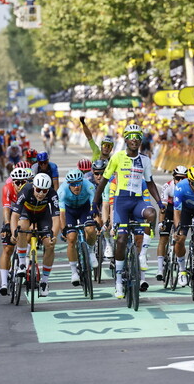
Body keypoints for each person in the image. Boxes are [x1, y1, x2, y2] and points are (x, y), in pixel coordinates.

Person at [93, 124, 163, 299]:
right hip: (122, 201)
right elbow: (104, 181)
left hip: (138, 200)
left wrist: (160, 202)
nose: (134, 139)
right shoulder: (117, 157)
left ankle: (142, 256)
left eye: (137, 136)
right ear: (125, 139)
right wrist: (95, 201)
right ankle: (118, 282)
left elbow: (151, 182)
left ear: (140, 140)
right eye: (130, 136)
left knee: (152, 214)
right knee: (122, 239)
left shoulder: (145, 160)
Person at [11, 174, 61, 297]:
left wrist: (53, 235)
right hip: (26, 213)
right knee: (22, 227)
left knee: (49, 245)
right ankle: (22, 263)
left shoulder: (53, 194)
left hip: (43, 216)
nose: (41, 193)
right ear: (34, 187)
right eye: (38, 190)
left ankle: (44, 281)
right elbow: (15, 215)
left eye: (44, 191)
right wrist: (13, 232)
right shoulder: (26, 190)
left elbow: (56, 219)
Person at [58, 169, 98, 286]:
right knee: (71, 238)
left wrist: (95, 221)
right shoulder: (62, 191)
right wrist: (63, 229)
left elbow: (93, 207)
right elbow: (62, 214)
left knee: (90, 229)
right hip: (69, 211)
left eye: (78, 183)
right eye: (73, 184)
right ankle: (74, 272)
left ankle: (90, 252)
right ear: (69, 184)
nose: (76, 187)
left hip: (84, 209)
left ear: (82, 181)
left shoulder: (89, 186)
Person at [0, 166, 33, 296]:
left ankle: (25, 258)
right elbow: (6, 209)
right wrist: (7, 225)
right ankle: (4, 283)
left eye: (22, 182)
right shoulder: (7, 189)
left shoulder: (29, 190)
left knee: (28, 233)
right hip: (12, 213)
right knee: (7, 249)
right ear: (12, 182)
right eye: (17, 182)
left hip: (26, 214)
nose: (19, 185)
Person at [157, 166, 186, 281]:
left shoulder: (188, 188)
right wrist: (161, 222)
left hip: (181, 210)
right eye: (177, 178)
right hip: (169, 210)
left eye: (182, 179)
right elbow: (163, 207)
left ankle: (180, 267)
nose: (179, 181)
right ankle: (160, 269)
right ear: (174, 178)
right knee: (163, 238)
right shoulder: (167, 186)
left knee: (179, 238)